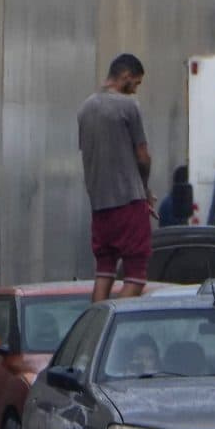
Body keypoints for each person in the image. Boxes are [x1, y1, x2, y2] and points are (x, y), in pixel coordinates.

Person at [78, 53, 155, 302]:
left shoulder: (85, 108)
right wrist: (145, 190)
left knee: (104, 272)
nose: (135, 90)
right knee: (136, 276)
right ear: (125, 76)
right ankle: (115, 326)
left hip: (99, 207)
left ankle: (96, 325)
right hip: (128, 201)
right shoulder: (128, 107)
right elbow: (143, 156)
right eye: (136, 83)